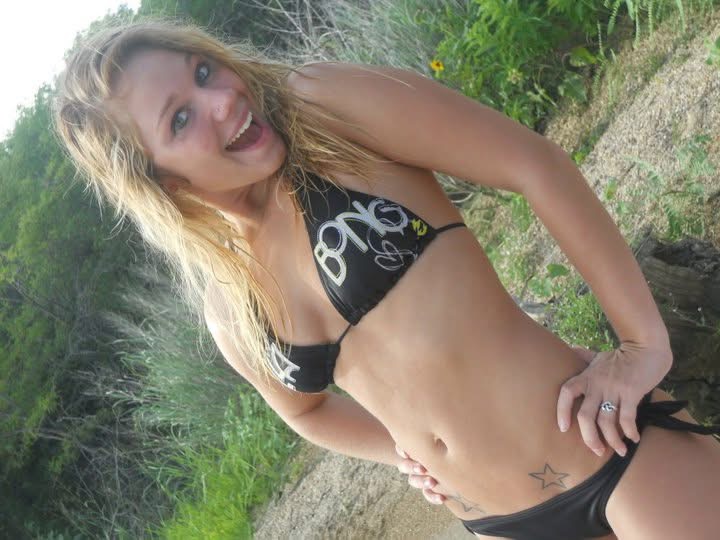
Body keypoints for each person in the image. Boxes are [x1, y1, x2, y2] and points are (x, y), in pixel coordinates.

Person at [54, 20, 720, 540]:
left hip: (608, 454)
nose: (223, 99)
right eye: (180, 118)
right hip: (502, 523)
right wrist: (399, 447)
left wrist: (641, 343)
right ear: (162, 182)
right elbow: (306, 412)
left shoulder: (322, 110)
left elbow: (533, 164)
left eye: (204, 72)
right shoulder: (230, 304)